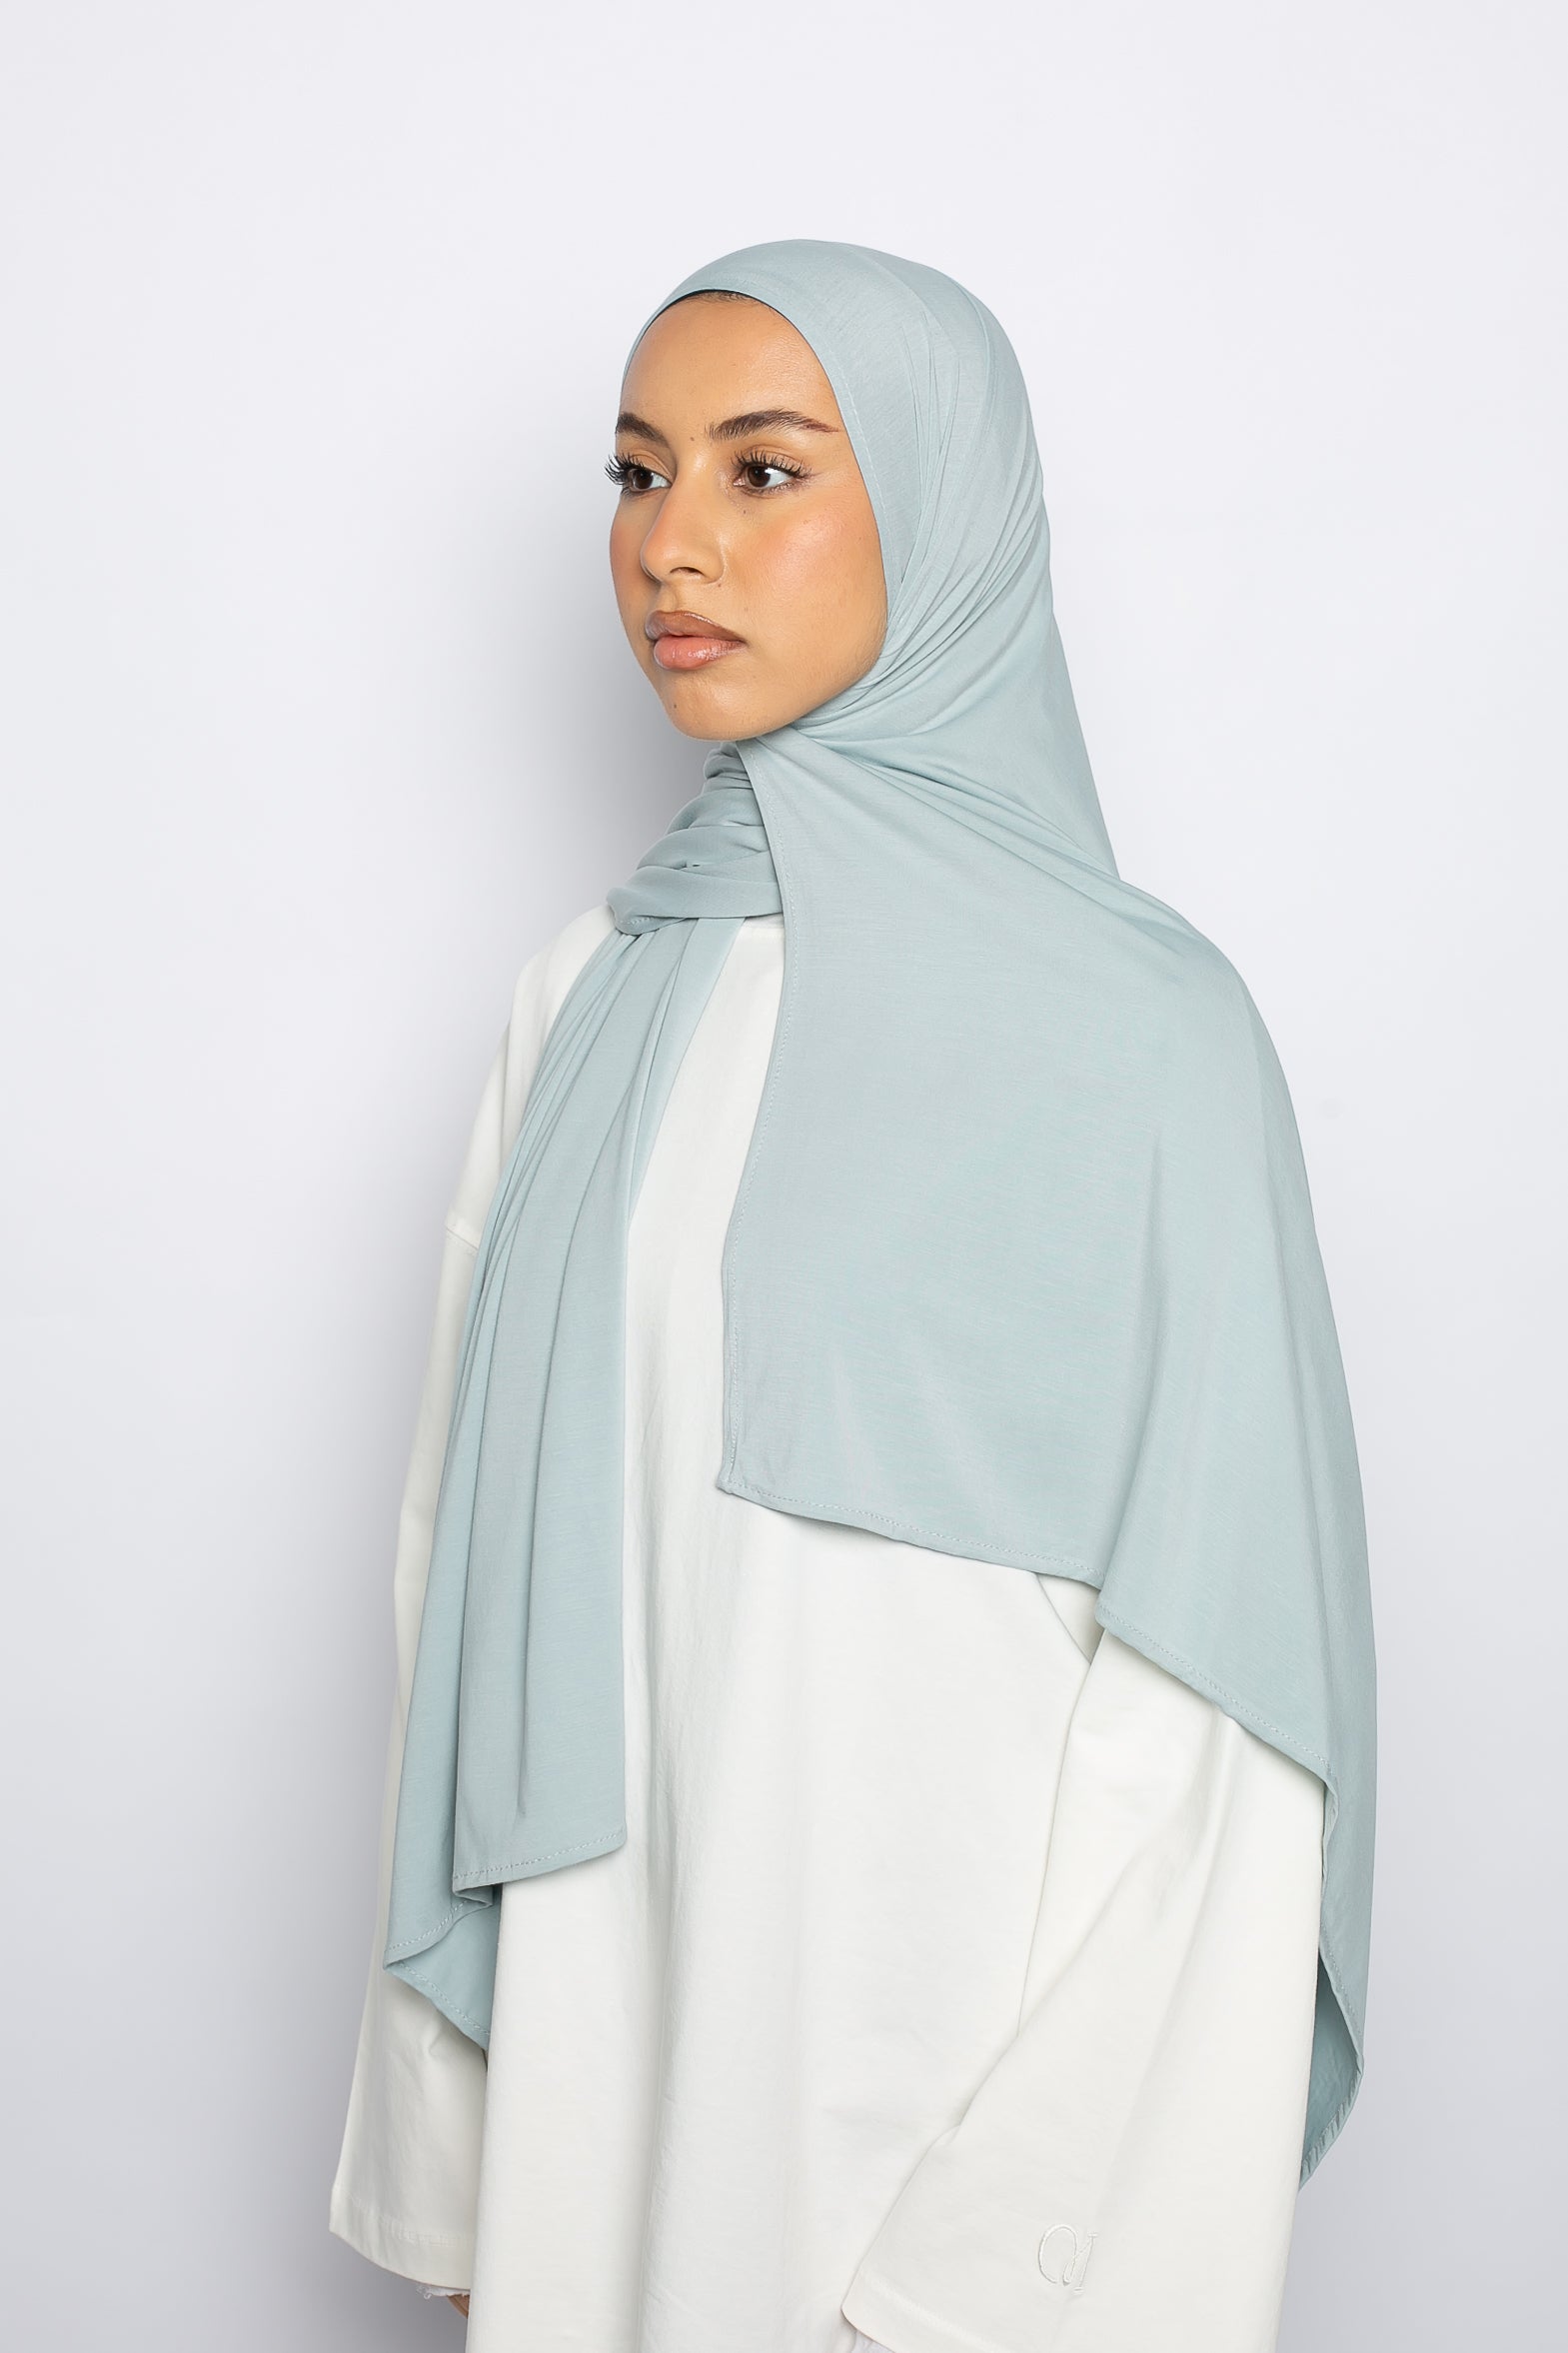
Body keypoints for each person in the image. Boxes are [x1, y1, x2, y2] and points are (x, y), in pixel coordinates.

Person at [329, 241, 1375, 2353]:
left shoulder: (1146, 1036)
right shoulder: (594, 990)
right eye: (635, 473)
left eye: (764, 468)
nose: (670, 543)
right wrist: (463, 2120)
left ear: (945, 503)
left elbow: (1226, 1719)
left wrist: (992, 2262)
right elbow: (467, 1580)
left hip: (956, 2122)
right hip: (608, 2072)